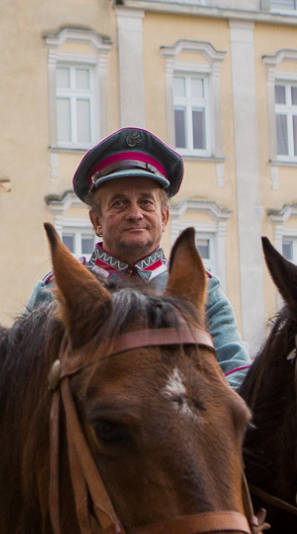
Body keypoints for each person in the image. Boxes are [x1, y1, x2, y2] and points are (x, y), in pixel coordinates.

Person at [21, 127, 250, 386]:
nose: (135, 214)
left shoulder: (204, 290)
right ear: (96, 220)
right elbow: (21, 380)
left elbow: (236, 374)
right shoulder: (56, 289)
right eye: (119, 203)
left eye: (146, 202)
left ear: (163, 217)